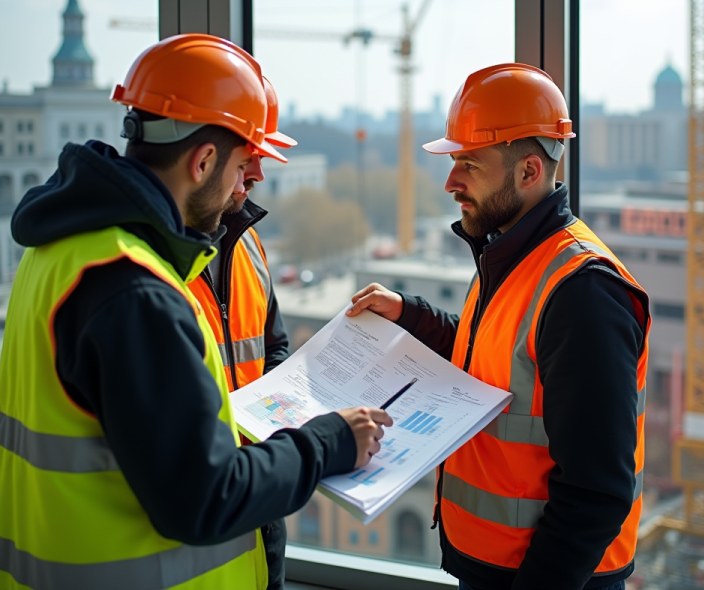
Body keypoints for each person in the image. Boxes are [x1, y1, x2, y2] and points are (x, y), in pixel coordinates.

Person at [0, 33, 391, 590]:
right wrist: (330, 443)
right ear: (203, 159)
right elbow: (204, 497)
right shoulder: (136, 289)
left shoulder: (57, 250)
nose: (248, 181)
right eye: (242, 164)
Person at [348, 63, 650, 590]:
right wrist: (409, 313)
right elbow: (486, 356)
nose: (450, 182)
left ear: (529, 171)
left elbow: (597, 492)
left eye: (468, 163)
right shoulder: (511, 256)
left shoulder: (584, 291)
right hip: (493, 568)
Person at [187, 73, 297, 590]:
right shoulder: (145, 274)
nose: (258, 171)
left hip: (258, 497)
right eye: (248, 154)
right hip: (206, 516)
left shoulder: (245, 241)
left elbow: (272, 344)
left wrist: (275, 414)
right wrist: (325, 444)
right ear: (202, 159)